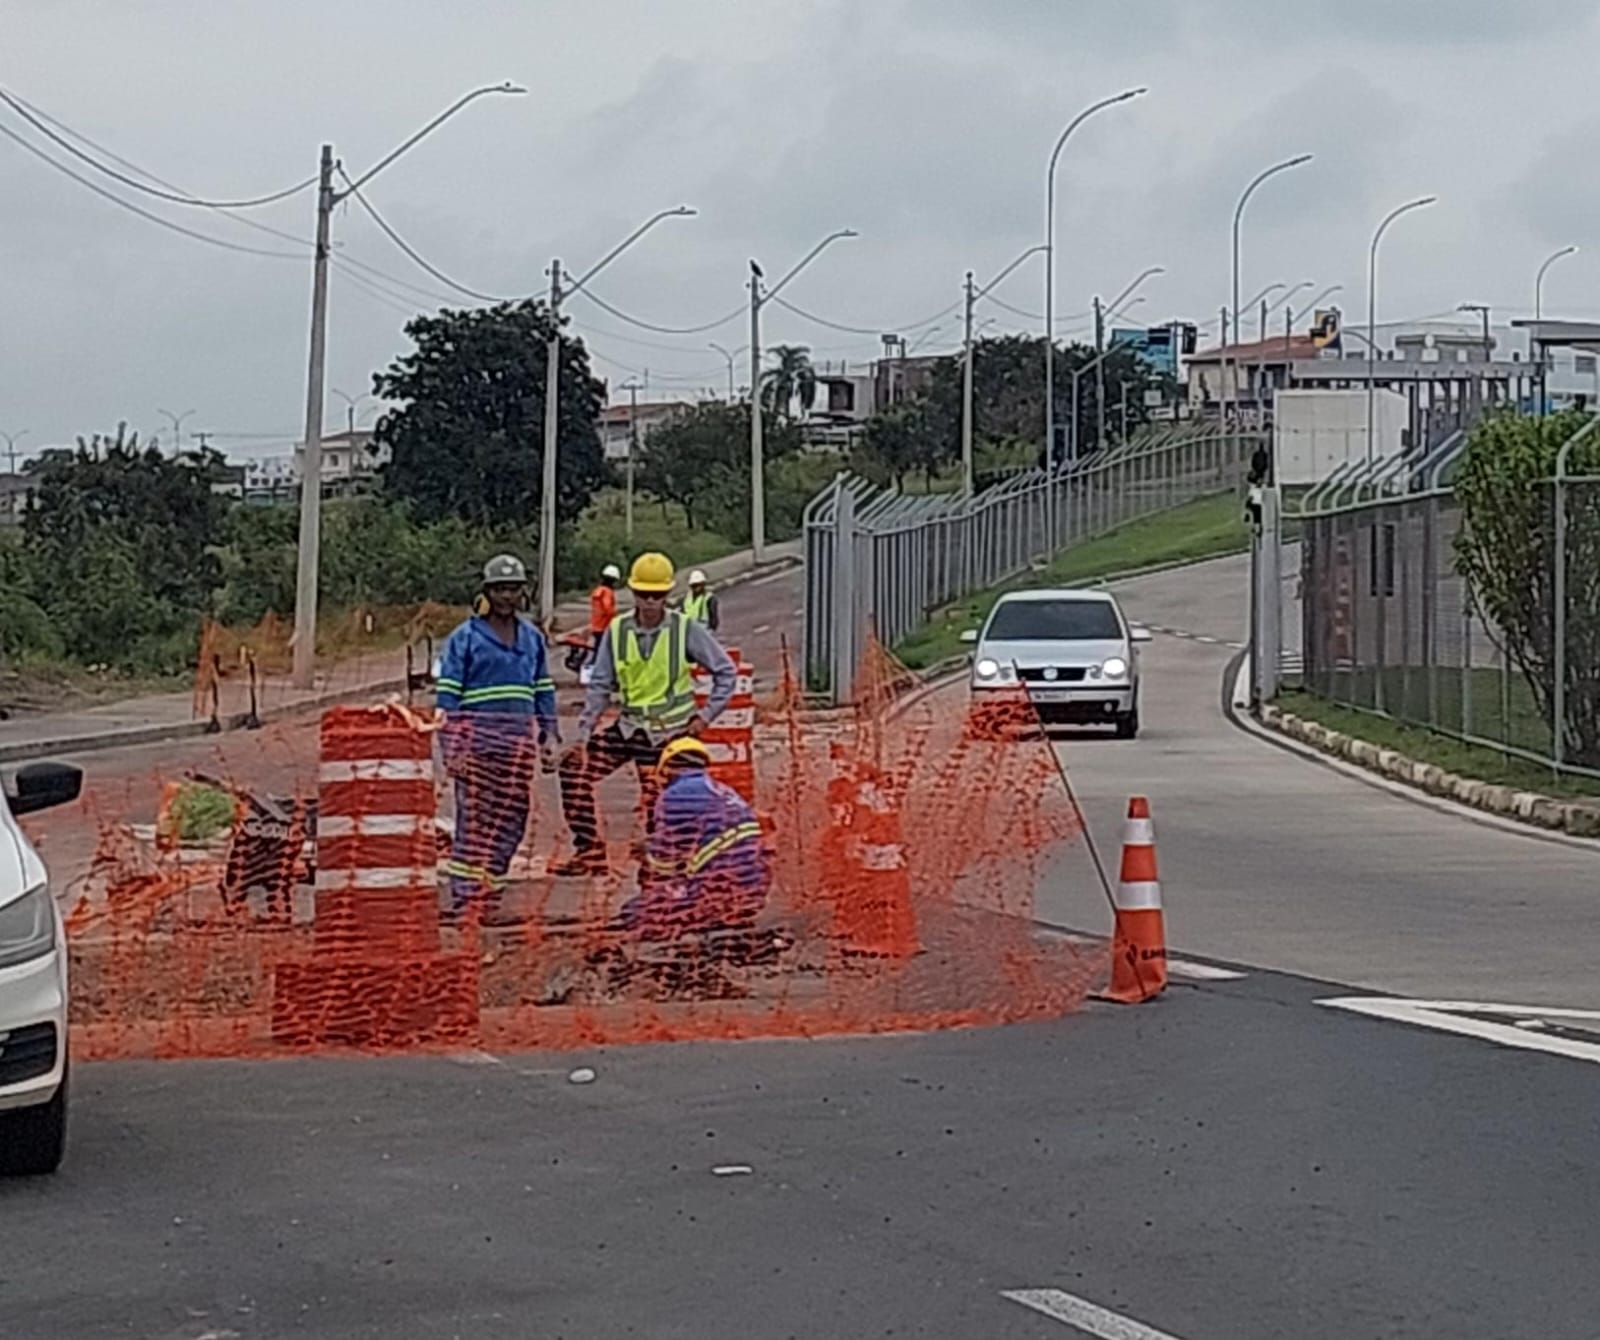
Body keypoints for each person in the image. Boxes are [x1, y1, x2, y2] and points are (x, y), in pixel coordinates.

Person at [553, 551, 734, 877]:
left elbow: (726, 673)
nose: (651, 602)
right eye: (644, 595)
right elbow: (600, 685)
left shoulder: (684, 629)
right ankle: (589, 850)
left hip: (672, 732)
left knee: (659, 799)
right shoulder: (618, 630)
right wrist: (584, 734)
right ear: (633, 593)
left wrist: (704, 717)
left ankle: (663, 862)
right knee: (574, 771)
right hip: (630, 728)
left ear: (667, 595)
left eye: (658, 595)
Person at [435, 553, 559, 917]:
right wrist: (452, 748)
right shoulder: (465, 639)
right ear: (487, 592)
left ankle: (490, 887)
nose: (507, 596)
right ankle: (466, 898)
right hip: (476, 748)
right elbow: (448, 699)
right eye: (500, 589)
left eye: (514, 589)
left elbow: (543, 690)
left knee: (512, 819)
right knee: (475, 821)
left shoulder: (532, 639)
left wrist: (549, 734)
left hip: (516, 748)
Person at [620, 737, 770, 939]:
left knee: (632, 913)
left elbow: (664, 862)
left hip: (720, 889)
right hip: (755, 887)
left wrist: (645, 855)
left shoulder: (673, 795)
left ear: (667, 768)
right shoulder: (724, 790)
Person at [681, 568, 720, 632]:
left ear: (703, 584)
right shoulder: (687, 597)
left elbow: (713, 616)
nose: (696, 588)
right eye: (694, 586)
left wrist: (711, 629)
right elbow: (682, 612)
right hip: (689, 627)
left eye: (698, 585)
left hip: (704, 628)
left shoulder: (709, 598)